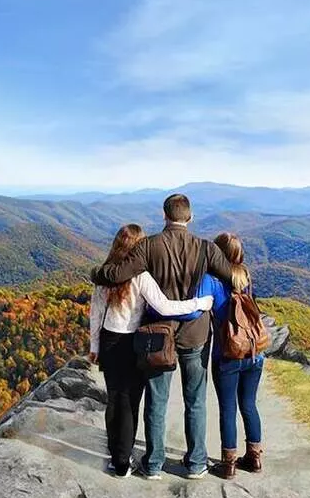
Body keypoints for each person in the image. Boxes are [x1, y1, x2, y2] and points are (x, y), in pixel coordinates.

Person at [91, 195, 232, 480]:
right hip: (196, 334)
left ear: (164, 216)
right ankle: (195, 463)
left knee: (157, 400)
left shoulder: (148, 245)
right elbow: (233, 278)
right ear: (189, 218)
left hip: (159, 334)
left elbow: (118, 274)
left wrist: (95, 272)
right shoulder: (207, 249)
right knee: (196, 400)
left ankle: (153, 464)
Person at [202, 232, 264, 479]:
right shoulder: (246, 277)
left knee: (228, 408)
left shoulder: (212, 281)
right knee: (248, 404)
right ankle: (255, 458)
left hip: (226, 354)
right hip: (254, 353)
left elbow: (200, 308)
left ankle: (228, 464)